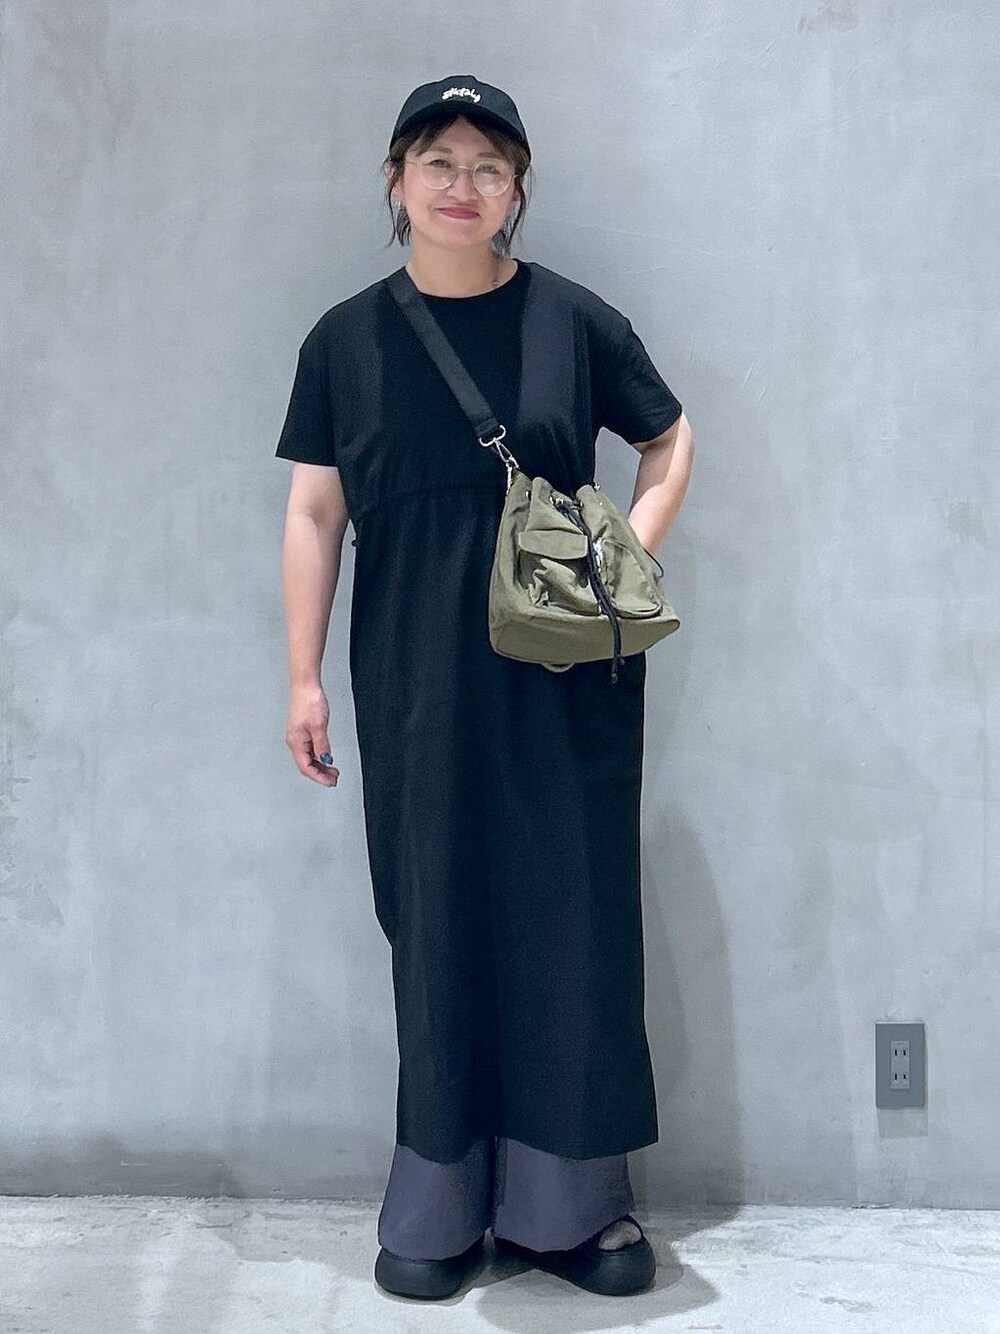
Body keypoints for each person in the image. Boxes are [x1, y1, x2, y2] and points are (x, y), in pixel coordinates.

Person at [274, 74, 695, 1301]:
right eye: (439, 161)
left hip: (567, 679)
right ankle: (441, 1202)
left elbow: (669, 436)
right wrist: (301, 675)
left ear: (517, 191)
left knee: (571, 916)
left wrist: (626, 560)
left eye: (489, 167)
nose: (464, 186)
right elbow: (312, 513)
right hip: (413, 682)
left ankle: (573, 1207)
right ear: (396, 180)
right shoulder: (345, 340)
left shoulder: (571, 321)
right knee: (437, 915)